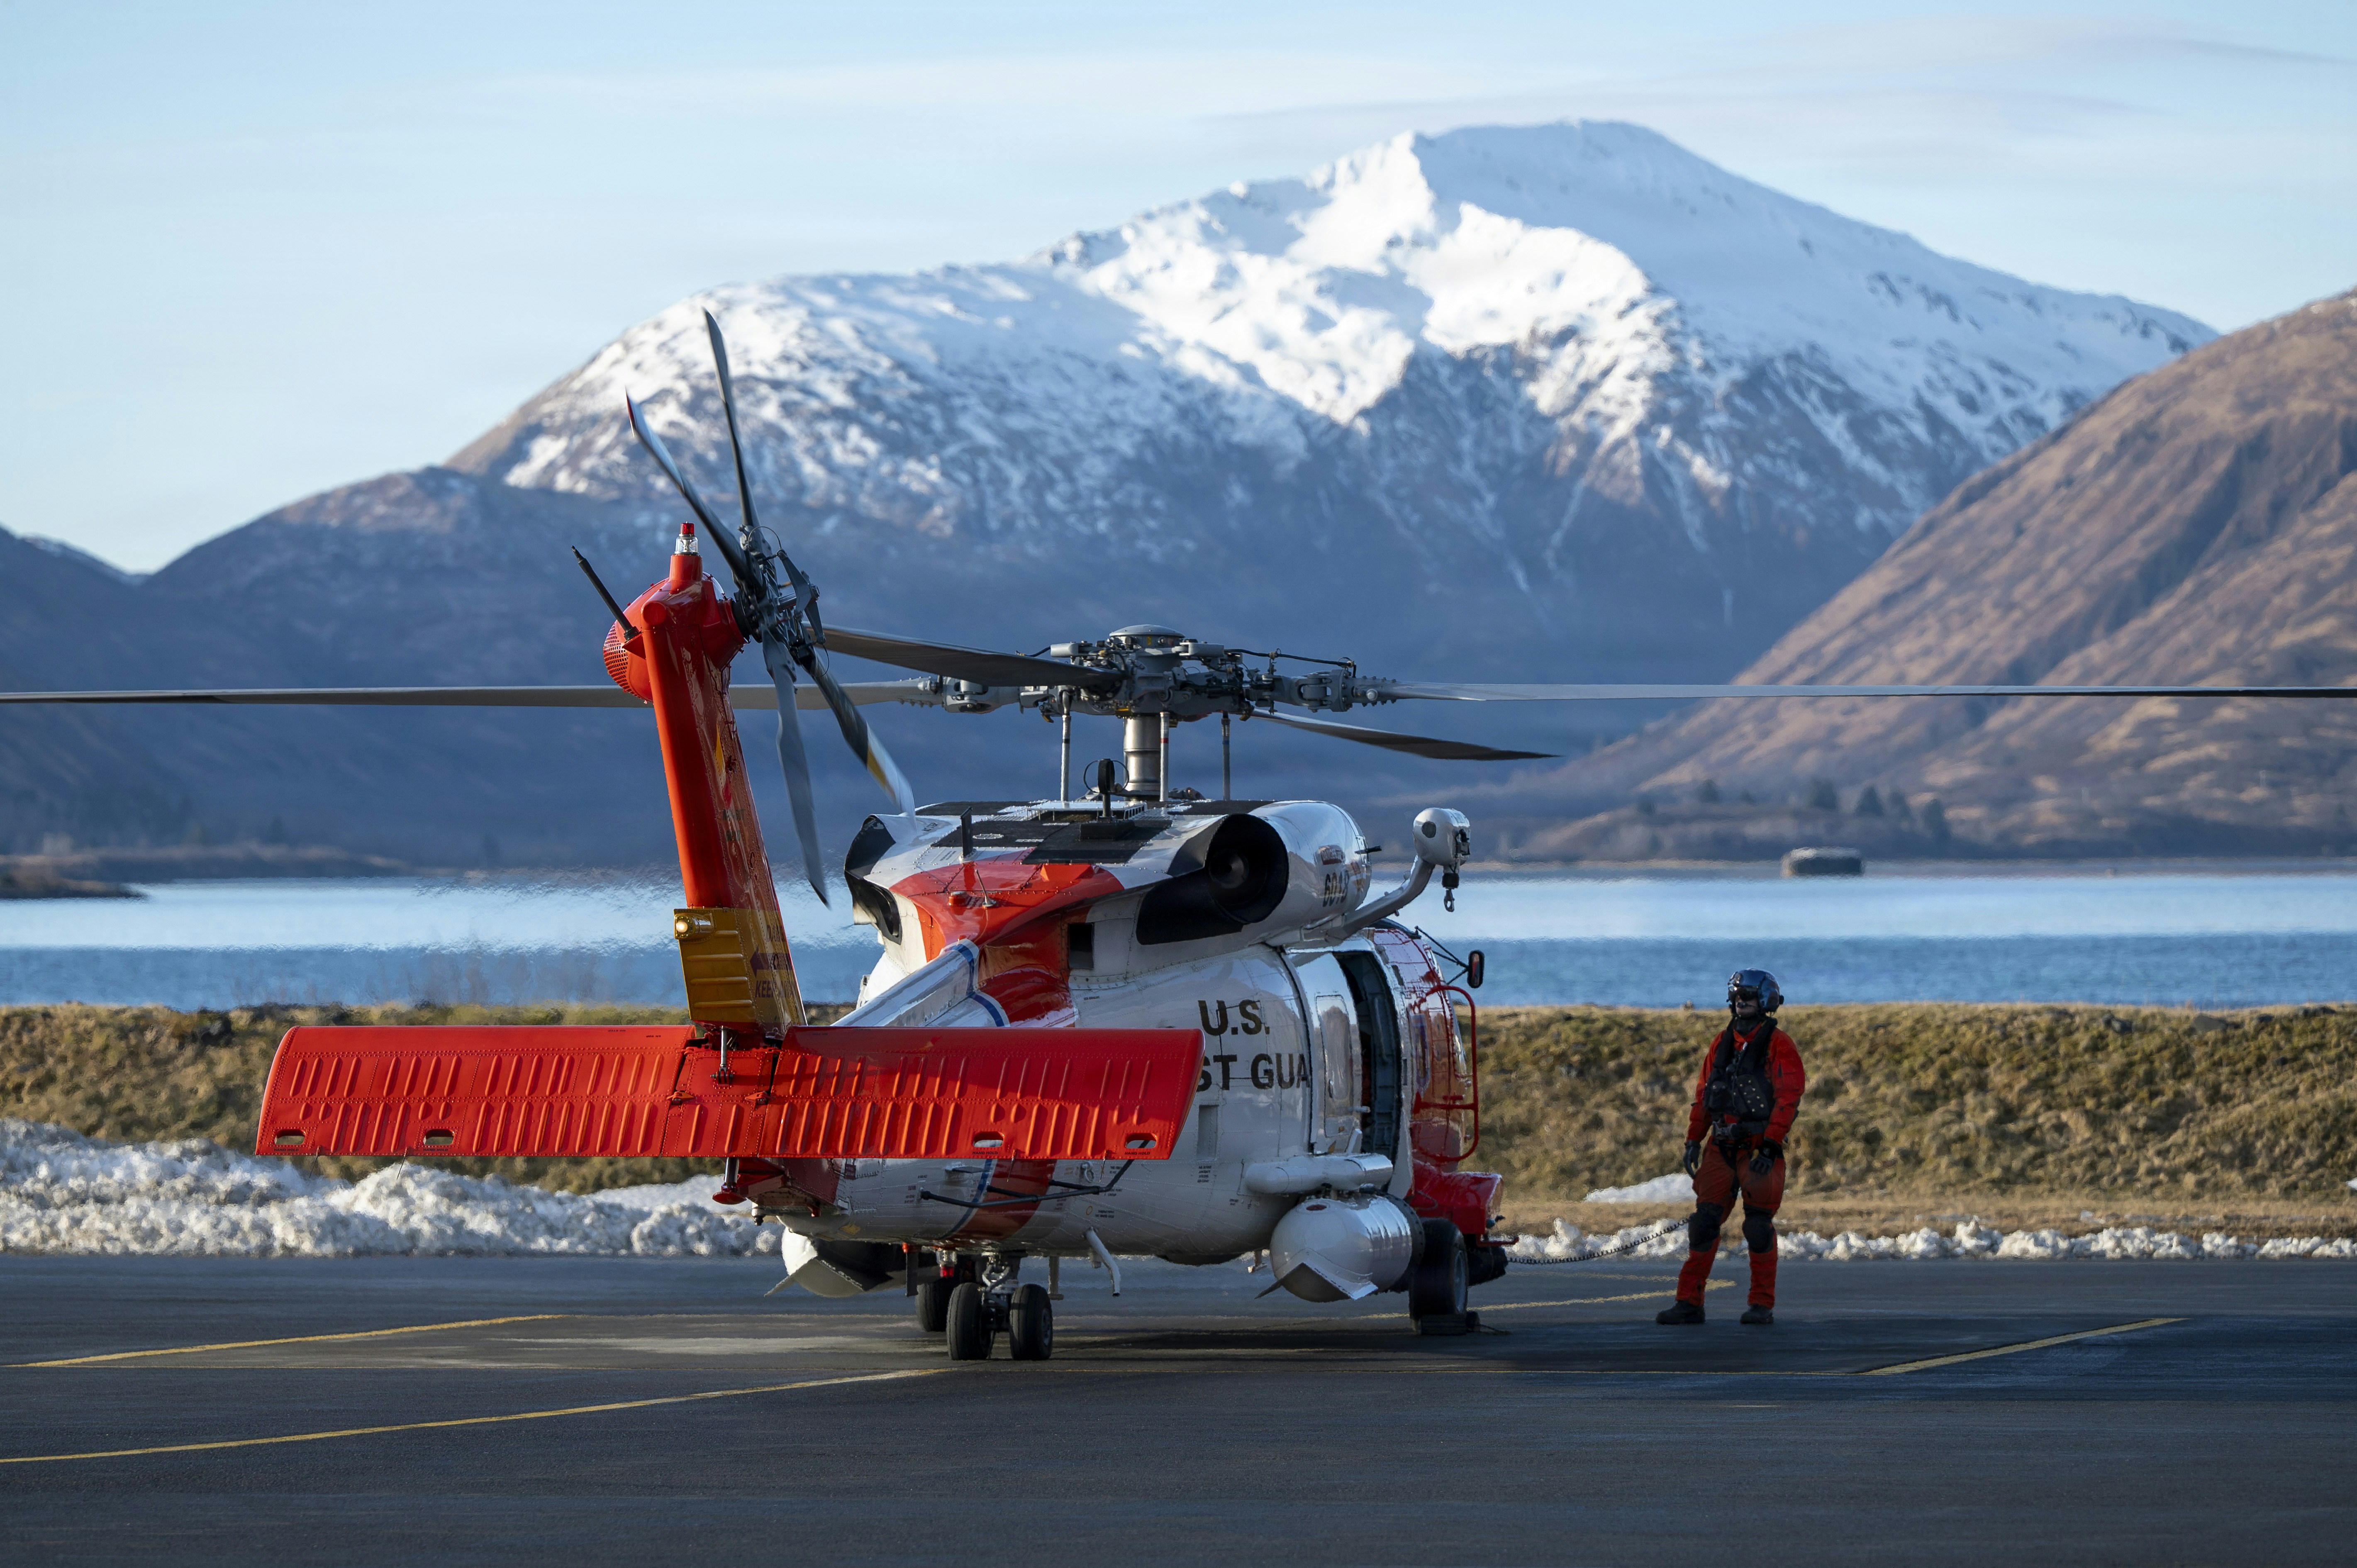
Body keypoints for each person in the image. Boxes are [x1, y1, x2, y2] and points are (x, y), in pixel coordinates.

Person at [1656, 968, 1806, 1326]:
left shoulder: (1779, 1044)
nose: (1742, 1002)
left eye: (1749, 997)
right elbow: (1704, 1095)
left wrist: (1770, 1146)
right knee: (1704, 1223)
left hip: (1758, 1148)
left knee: (1757, 1226)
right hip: (1720, 1144)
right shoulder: (1720, 1043)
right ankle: (1689, 1303)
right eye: (1738, 997)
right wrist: (1694, 1139)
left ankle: (1761, 1305)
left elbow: (1788, 1097)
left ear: (1766, 1001)